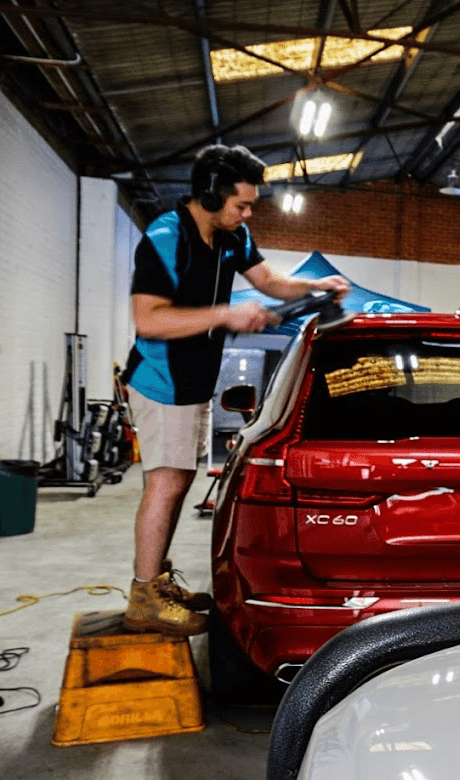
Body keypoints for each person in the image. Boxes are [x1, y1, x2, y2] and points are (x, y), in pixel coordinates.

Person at [119, 144, 349, 635]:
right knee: (165, 483)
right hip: (162, 379)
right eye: (241, 204)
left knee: (178, 482)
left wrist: (316, 287)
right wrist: (226, 314)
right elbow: (148, 319)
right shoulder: (166, 237)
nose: (248, 214)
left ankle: (156, 580)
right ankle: (144, 597)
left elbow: (269, 281)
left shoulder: (231, 235)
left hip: (196, 378)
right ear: (208, 195)